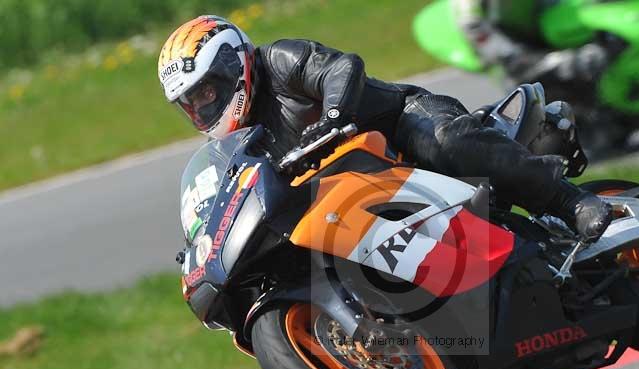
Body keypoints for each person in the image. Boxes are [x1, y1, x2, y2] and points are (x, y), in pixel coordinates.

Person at [158, 15, 610, 241]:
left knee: (445, 142)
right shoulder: (242, 143)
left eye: (207, 91)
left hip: (400, 124)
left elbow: (341, 69)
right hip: (356, 192)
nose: (203, 105)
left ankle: (569, 202)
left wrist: (334, 116)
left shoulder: (277, 60)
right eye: (190, 103)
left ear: (232, 64)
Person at [453, 0, 607, 86]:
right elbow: (474, 28)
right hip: (525, 56)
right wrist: (556, 63)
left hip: (555, 25)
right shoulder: (468, 9)